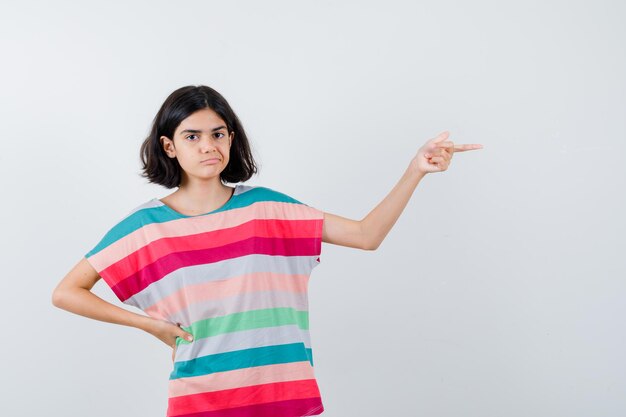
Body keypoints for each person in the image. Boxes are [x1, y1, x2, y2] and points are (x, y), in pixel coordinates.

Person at [51, 85, 483, 417]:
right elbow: (68, 292)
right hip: (201, 398)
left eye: (217, 133)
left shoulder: (266, 207)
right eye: (193, 136)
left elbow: (366, 235)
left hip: (281, 392)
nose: (208, 146)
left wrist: (415, 171)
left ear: (231, 138)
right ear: (170, 146)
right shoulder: (145, 228)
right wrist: (148, 326)